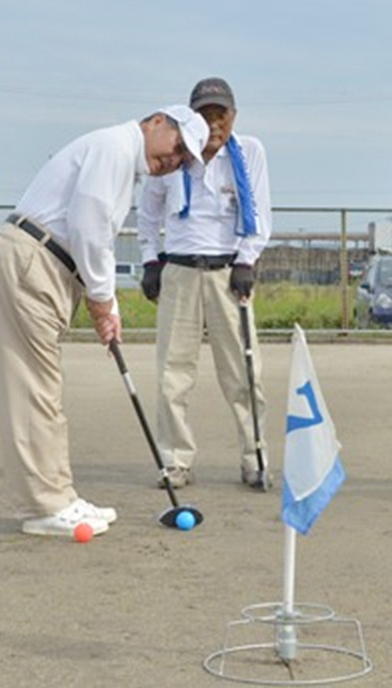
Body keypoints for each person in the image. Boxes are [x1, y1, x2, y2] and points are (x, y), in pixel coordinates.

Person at [0, 105, 209, 538]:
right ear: (157, 121)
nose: (175, 160)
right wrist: (102, 301)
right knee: (34, 388)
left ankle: (59, 495)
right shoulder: (115, 149)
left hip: (43, 265)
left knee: (43, 387)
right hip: (31, 261)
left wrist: (108, 310)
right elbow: (89, 227)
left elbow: (92, 239)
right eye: (178, 147)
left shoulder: (119, 157)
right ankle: (45, 506)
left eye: (184, 160)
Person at [137, 77, 273, 490]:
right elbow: (147, 216)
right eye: (205, 115)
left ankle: (255, 458)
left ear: (233, 116)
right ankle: (176, 461)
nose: (214, 123)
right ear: (191, 118)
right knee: (172, 374)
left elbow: (262, 216)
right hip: (179, 271)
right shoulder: (174, 155)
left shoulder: (249, 152)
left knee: (244, 373)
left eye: (221, 114)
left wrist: (246, 260)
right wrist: (150, 261)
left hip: (229, 274)